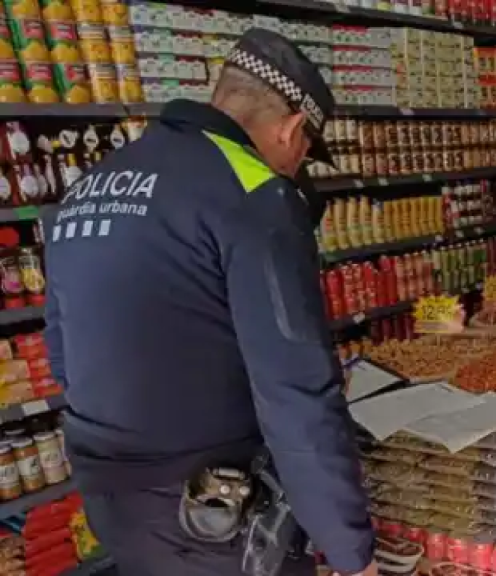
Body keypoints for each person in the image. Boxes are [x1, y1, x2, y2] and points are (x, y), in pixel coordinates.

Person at [42, 29, 377, 576]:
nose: (297, 168)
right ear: (293, 128)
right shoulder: (254, 192)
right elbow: (294, 391)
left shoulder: (92, 185)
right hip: (215, 510)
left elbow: (62, 352)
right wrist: (349, 551)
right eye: (304, 153)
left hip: (114, 500)